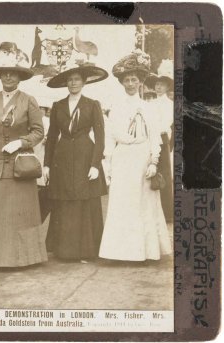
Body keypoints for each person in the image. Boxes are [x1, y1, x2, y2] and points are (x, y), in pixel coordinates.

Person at [0, 43, 47, 267]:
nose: (8, 76)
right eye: (4, 72)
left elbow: (39, 132)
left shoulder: (28, 100)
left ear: (19, 76)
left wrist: (20, 143)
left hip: (19, 168)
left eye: (12, 72)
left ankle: (24, 258)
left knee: (19, 215)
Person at [99, 50, 172, 261]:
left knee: (144, 203)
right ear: (122, 82)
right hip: (123, 157)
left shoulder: (148, 108)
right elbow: (110, 137)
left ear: (140, 83)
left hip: (142, 158)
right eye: (127, 80)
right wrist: (108, 164)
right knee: (122, 203)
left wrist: (154, 161)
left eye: (134, 80)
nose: (130, 83)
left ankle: (145, 252)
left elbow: (154, 138)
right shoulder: (116, 107)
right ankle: (119, 252)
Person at [43, 62, 109, 261]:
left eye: (77, 79)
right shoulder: (58, 106)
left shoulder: (92, 104)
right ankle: (65, 251)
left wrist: (95, 164)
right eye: (70, 80)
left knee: (84, 201)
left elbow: (100, 136)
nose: (73, 83)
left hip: (84, 156)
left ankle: (86, 251)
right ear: (66, 83)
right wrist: (46, 164)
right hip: (61, 158)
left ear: (84, 82)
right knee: (64, 201)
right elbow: (52, 136)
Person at [145, 60, 174, 223]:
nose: (158, 87)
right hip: (150, 137)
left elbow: (165, 124)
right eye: (157, 84)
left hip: (162, 138)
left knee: (163, 172)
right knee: (150, 170)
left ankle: (166, 212)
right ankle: (153, 210)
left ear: (167, 87)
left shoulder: (169, 104)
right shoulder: (150, 104)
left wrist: (156, 131)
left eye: (162, 85)